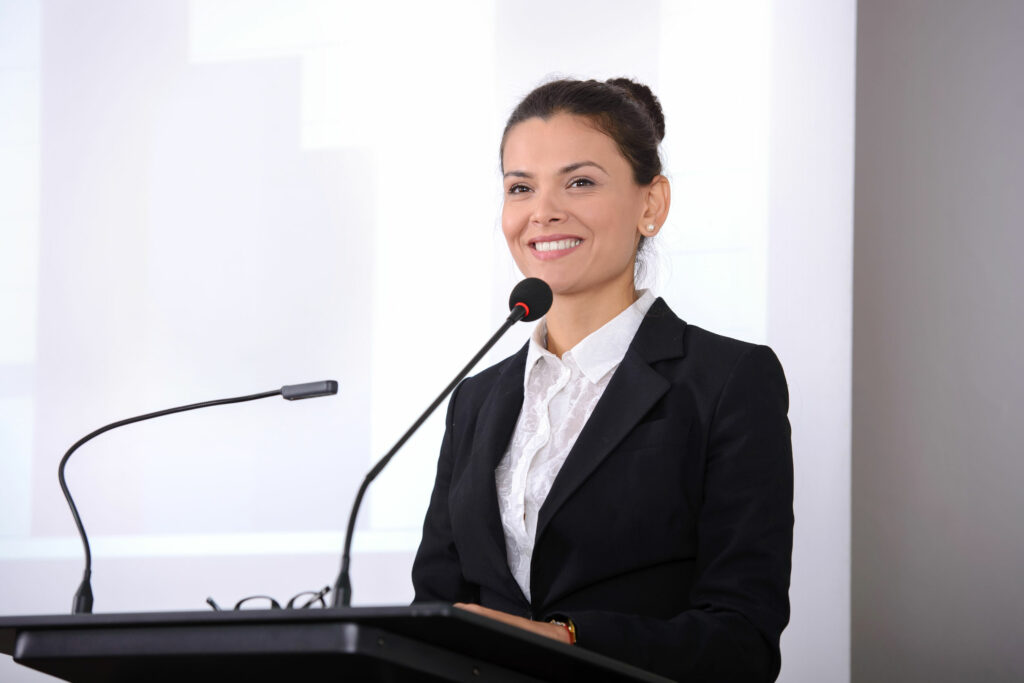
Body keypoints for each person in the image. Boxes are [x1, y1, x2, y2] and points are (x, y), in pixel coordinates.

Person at [412, 77, 793, 682]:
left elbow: (741, 640)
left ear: (652, 205)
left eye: (580, 182)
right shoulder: (476, 399)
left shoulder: (728, 382)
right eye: (520, 188)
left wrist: (566, 640)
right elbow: (435, 606)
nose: (543, 211)